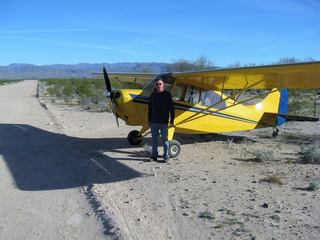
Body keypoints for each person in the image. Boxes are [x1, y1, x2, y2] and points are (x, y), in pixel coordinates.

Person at [148, 78, 175, 162]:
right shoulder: (152, 95)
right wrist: (149, 120)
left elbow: (172, 108)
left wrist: (172, 120)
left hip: (163, 122)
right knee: (154, 140)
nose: (158, 85)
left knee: (165, 140)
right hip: (154, 121)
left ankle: (166, 156)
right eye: (157, 84)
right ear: (155, 85)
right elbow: (150, 108)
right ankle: (154, 156)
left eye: (160, 84)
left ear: (163, 85)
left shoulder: (167, 94)